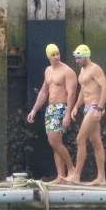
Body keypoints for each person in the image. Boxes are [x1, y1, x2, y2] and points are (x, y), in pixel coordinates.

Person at [27, 44, 77, 183]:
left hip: (61, 107)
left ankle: (72, 169)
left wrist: (67, 113)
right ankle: (60, 176)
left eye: (57, 54)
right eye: (53, 55)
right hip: (50, 109)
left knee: (54, 140)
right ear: (48, 56)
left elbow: (72, 94)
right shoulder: (48, 71)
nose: (56, 57)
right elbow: (44, 92)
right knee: (55, 144)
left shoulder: (67, 71)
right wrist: (34, 109)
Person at [67, 45, 106, 186]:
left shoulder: (95, 69)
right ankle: (101, 178)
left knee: (80, 138)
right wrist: (76, 106)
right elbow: (83, 90)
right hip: (87, 107)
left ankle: (76, 176)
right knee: (96, 142)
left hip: (94, 106)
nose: (76, 60)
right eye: (76, 58)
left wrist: (99, 108)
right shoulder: (82, 70)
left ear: (86, 56)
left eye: (79, 58)